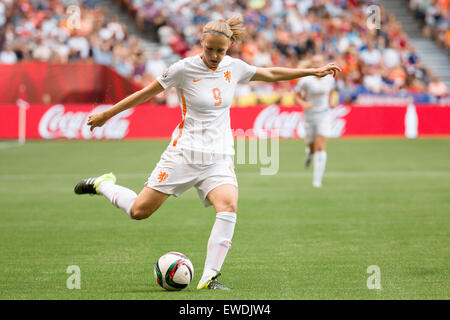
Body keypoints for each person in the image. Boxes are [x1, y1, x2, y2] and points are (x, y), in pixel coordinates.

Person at [74, 17, 341, 290]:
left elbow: (270, 73)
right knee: (139, 211)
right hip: (184, 155)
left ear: (229, 48)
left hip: (219, 156)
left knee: (228, 206)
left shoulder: (233, 68)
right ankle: (103, 184)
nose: (214, 56)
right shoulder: (182, 69)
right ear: (201, 42)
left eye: (220, 51)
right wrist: (107, 114)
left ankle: (209, 277)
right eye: (210, 49)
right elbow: (145, 93)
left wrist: (311, 72)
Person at [294, 54, 338, 188]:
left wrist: (331, 102)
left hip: (324, 114)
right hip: (310, 115)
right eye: (315, 63)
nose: (318, 65)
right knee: (313, 146)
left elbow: (331, 92)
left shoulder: (330, 79)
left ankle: (317, 181)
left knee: (320, 145)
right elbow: (296, 96)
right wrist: (304, 104)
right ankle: (309, 153)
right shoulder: (305, 80)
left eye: (320, 62)